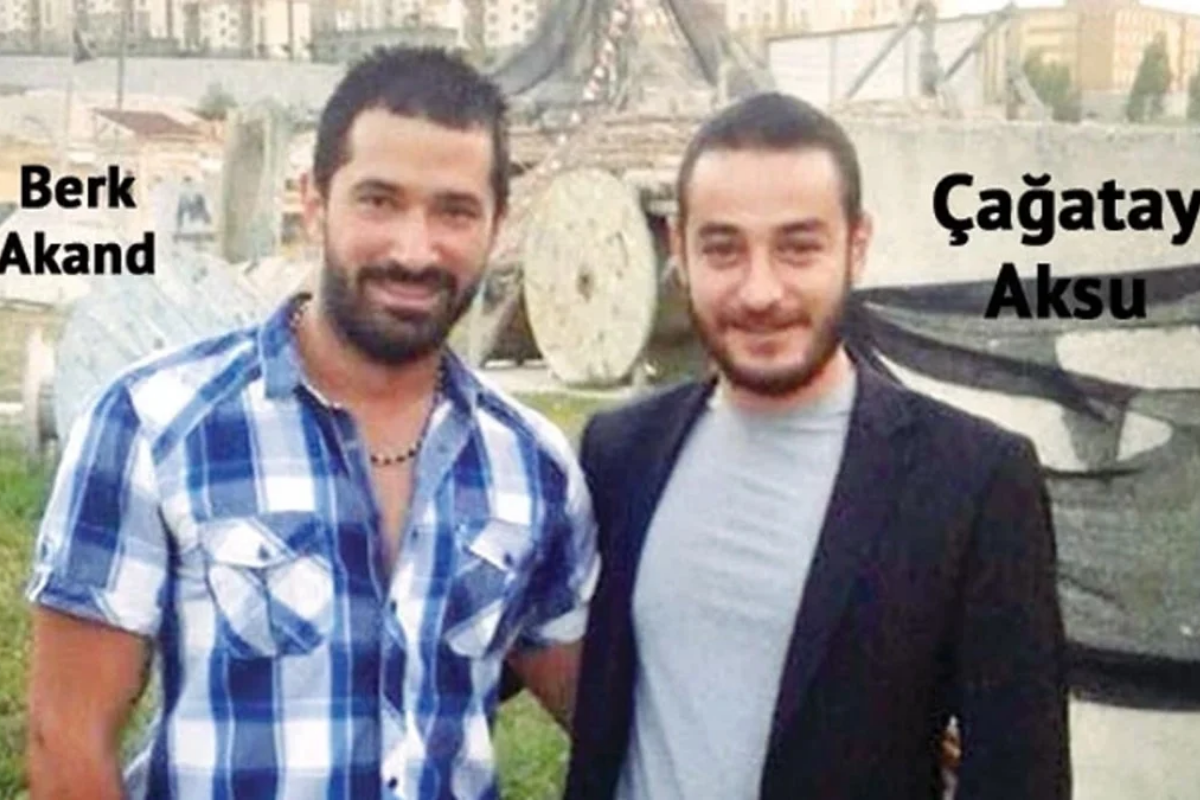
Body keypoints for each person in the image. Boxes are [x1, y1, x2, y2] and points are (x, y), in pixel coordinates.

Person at [25, 46, 597, 800]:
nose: (414, 249)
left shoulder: (533, 465)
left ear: (496, 225)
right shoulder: (154, 426)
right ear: (315, 201)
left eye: (454, 211)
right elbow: (66, 740)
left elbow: (603, 716)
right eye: (379, 201)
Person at [565, 93, 1070, 800]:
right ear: (678, 248)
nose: (760, 290)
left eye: (798, 247)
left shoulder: (974, 481)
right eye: (723, 248)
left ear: (856, 246)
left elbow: (1022, 774)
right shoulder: (618, 453)